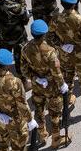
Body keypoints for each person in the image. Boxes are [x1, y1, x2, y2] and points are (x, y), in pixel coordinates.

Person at [22, 19, 70, 148]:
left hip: (37, 86)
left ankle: (42, 133)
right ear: (44, 34)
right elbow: (56, 72)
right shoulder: (50, 51)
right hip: (52, 87)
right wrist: (62, 85)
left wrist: (35, 78)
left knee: (39, 110)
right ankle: (55, 138)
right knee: (55, 113)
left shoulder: (25, 49)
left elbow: (24, 70)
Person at [0, 49, 35, 151]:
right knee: (19, 144)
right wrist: (30, 120)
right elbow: (22, 104)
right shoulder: (15, 82)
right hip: (15, 120)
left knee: (2, 143)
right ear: (8, 65)